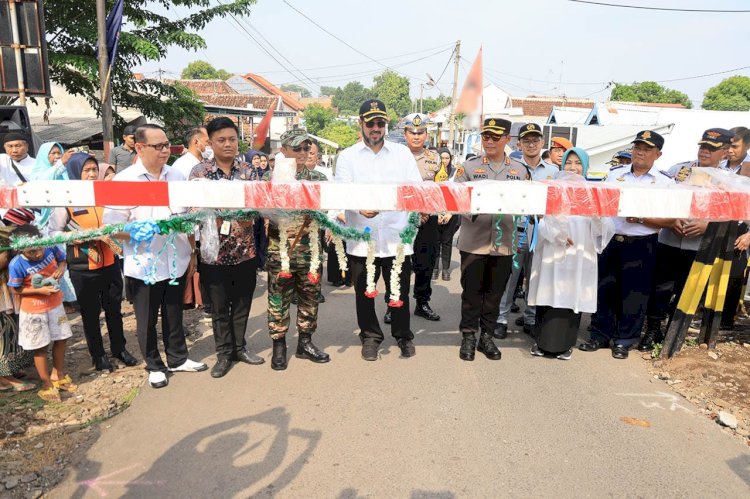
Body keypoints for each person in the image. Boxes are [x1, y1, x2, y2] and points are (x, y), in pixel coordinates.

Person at [103, 124, 207, 389]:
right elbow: (112, 229)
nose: (165, 151)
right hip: (144, 263)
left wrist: (192, 248)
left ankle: (177, 357)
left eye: (167, 145)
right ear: (139, 147)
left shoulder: (176, 175)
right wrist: (140, 232)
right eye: (158, 146)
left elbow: (187, 215)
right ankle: (154, 364)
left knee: (174, 312)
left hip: (176, 258)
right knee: (147, 318)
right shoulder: (124, 181)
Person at [335, 99, 422, 361]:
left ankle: (403, 335)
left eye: (380, 123)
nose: (375, 128)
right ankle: (370, 336)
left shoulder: (402, 154)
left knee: (400, 292)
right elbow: (341, 194)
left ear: (385, 125)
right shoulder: (347, 156)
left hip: (396, 238)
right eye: (370, 123)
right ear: (360, 123)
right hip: (363, 239)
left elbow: (415, 190)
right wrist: (359, 208)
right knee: (364, 294)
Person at [582, 130, 675, 359]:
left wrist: (641, 218)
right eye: (637, 147)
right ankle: (599, 335)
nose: (640, 152)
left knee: (635, 294)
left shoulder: (665, 183)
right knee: (605, 289)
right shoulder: (615, 175)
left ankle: (624, 340)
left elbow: (672, 220)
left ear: (658, 154)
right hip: (612, 240)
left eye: (646, 149)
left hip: (642, 243)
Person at [640, 128, 732, 351]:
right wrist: (670, 220)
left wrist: (708, 225)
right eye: (703, 146)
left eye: (712, 149)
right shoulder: (678, 170)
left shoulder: (730, 181)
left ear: (726, 152)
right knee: (659, 288)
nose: (705, 152)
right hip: (669, 239)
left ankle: (674, 334)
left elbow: (733, 212)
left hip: (700, 246)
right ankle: (652, 330)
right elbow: (661, 198)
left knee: (686, 291)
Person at [189, 117, 265, 378]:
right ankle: (223, 354)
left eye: (232, 139)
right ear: (210, 142)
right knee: (219, 308)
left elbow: (258, 208)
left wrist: (243, 212)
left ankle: (240, 347)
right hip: (214, 255)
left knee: (242, 304)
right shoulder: (199, 173)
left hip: (245, 251)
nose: (228, 144)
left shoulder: (249, 172)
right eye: (221, 140)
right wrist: (216, 213)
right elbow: (192, 210)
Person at [48, 153, 137, 372]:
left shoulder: (105, 195)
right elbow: (53, 232)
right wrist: (75, 237)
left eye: (94, 170)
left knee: (114, 308)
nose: (91, 174)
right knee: (90, 313)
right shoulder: (67, 199)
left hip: (109, 261)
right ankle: (98, 356)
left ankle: (119, 349)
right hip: (82, 265)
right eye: (86, 170)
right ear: (75, 172)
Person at [527, 148, 615, 360]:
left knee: (571, 294)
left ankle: (565, 344)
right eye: (569, 163)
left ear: (585, 167)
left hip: (579, 251)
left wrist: (597, 215)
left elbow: (606, 226)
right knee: (549, 292)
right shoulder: (552, 188)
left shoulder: (593, 192)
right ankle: (542, 342)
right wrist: (557, 234)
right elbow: (541, 220)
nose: (573, 168)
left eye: (578, 163)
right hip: (553, 250)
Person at [455, 118, 530, 361]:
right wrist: (473, 209)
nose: (489, 141)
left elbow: (528, 202)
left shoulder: (519, 170)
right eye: (486, 136)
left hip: (504, 244)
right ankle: (468, 336)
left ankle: (486, 337)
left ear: (507, 139)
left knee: (494, 294)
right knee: (471, 293)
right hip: (473, 241)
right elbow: (456, 199)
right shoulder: (468, 167)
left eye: (495, 137)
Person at [262, 128, 330, 370]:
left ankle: (305, 343)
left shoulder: (319, 180)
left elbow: (327, 210)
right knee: (278, 299)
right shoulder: (270, 181)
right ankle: (279, 346)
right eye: (296, 148)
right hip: (280, 252)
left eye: (306, 148)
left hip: (310, 251)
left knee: (310, 299)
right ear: (283, 151)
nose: (302, 152)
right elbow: (263, 212)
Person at [496, 123, 559, 338]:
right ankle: (501, 318)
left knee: (535, 276)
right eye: (526, 140)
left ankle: (530, 317)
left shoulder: (553, 172)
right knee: (510, 275)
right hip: (516, 228)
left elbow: (558, 202)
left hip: (542, 231)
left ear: (542, 143)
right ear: (519, 143)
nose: (531, 144)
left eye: (535, 140)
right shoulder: (510, 167)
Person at [7, 224, 76, 402]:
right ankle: (46, 383)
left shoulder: (50, 246)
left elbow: (62, 260)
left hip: (55, 304)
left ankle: (58, 375)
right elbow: (16, 289)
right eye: (31, 252)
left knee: (61, 338)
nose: (37, 254)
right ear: (20, 250)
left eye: (39, 249)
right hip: (34, 311)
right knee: (41, 347)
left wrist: (61, 268)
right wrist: (39, 292)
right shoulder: (16, 264)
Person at [400, 113, 441, 322]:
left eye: (420, 132)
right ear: (404, 133)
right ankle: (395, 303)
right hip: (402, 218)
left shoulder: (436, 158)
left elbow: (437, 189)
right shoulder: (396, 156)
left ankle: (422, 302)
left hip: (428, 217)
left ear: (426, 134)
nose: (416, 136)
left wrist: (425, 211)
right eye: (412, 132)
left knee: (426, 262)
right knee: (400, 263)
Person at [0, 221, 34, 393]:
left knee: (10, 330)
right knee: (2, 332)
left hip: (5, 285)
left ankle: (10, 369)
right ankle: (3, 378)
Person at [434, 147, 460, 281]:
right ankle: (434, 268)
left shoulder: (455, 173)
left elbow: (458, 195)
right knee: (435, 241)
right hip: (435, 212)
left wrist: (450, 213)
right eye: (442, 158)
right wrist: (437, 213)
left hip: (451, 213)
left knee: (447, 242)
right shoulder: (433, 172)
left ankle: (445, 269)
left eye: (447, 158)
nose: (444, 161)